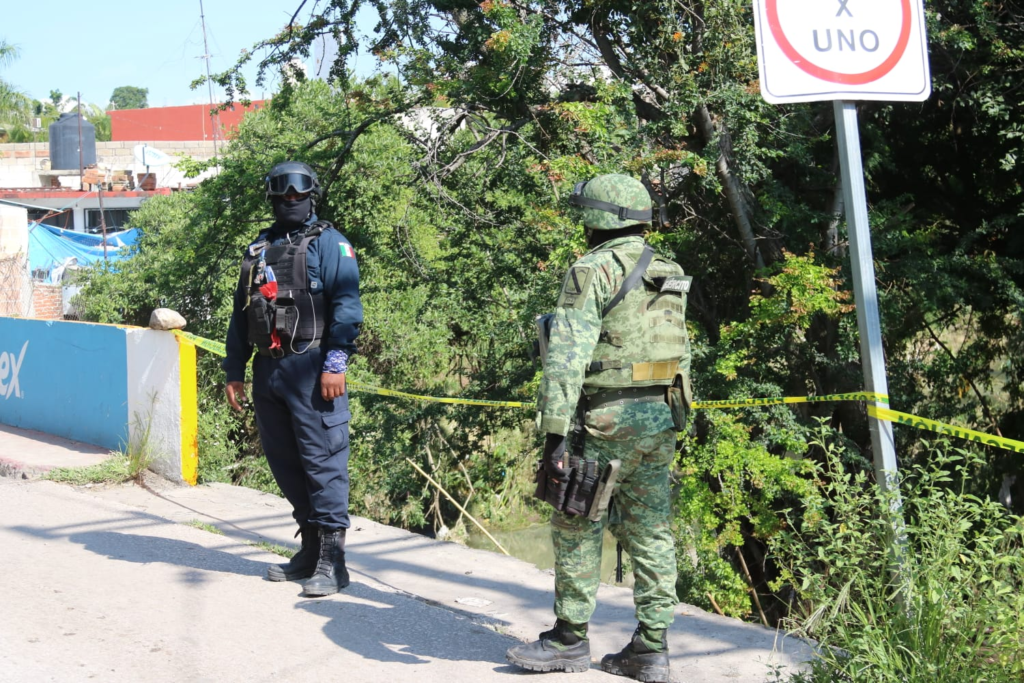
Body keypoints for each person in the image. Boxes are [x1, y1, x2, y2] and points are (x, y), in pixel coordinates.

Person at [506, 174, 692, 683]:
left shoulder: (592, 269)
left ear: (598, 218)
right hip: (661, 416)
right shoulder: (668, 268)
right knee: (652, 528)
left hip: (605, 417)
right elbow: (679, 349)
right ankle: (651, 648)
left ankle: (568, 639)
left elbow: (566, 357)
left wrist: (554, 436)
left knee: (576, 519)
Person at [223, 160, 363, 597]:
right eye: (282, 195)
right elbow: (241, 314)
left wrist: (336, 363)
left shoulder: (330, 244)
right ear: (271, 197)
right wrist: (235, 371)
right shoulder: (257, 250)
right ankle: (309, 551)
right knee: (285, 463)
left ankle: (332, 561)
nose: (290, 201)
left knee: (323, 463)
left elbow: (347, 305)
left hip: (313, 368)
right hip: (269, 370)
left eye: (298, 195)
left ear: (311, 196)